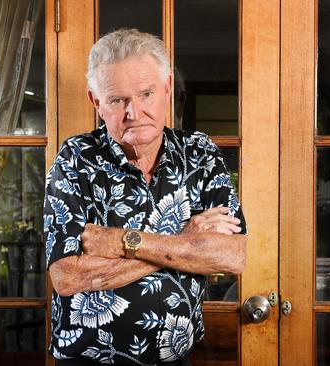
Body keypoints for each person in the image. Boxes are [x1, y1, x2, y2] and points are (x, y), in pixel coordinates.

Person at [44, 29, 248, 365]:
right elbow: (67, 277)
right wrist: (185, 243)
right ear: (96, 102)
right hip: (88, 360)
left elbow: (231, 256)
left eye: (146, 94)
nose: (134, 113)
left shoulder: (199, 153)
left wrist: (124, 242)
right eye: (117, 100)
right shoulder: (76, 158)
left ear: (167, 87)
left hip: (176, 358)